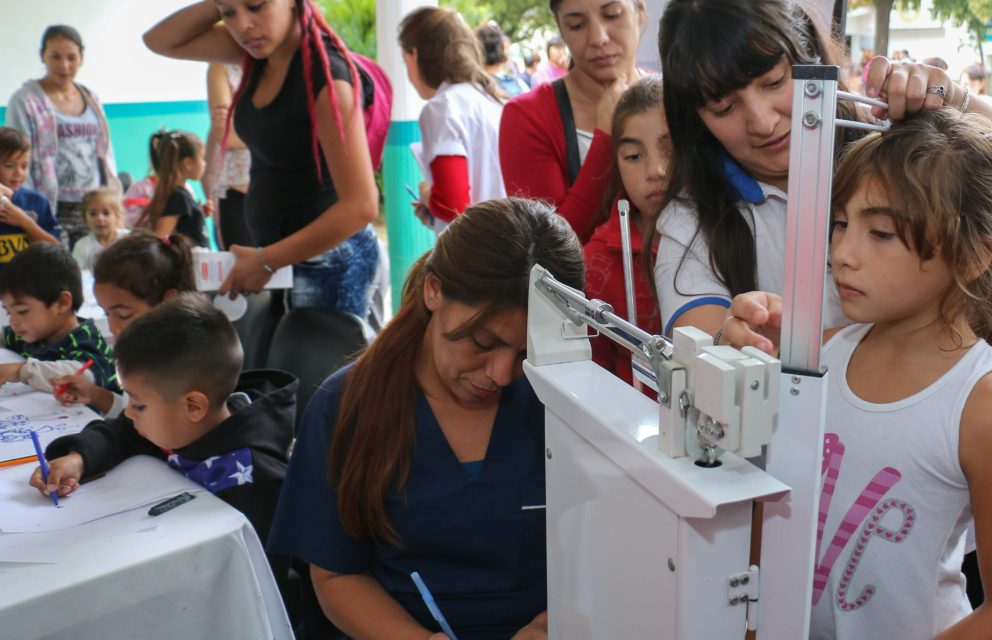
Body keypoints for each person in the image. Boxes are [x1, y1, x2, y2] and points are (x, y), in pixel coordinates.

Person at [724, 109, 992, 638]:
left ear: (971, 258)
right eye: (841, 223)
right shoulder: (822, 353)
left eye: (879, 232)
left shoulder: (988, 411)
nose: (841, 254)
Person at [654, 0, 992, 339]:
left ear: (813, 57)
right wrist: (734, 342)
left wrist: (957, 101)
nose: (762, 121)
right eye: (723, 106)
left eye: (774, 82)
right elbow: (712, 346)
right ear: (696, 118)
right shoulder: (691, 222)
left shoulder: (902, 150)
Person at [268, 198, 581, 639]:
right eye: (481, 341)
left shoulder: (562, 403)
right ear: (434, 291)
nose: (502, 374)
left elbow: (600, 550)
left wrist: (552, 626)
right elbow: (336, 576)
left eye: (527, 354)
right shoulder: (347, 406)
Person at [31, 293, 297, 601]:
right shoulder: (180, 424)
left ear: (194, 406)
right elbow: (122, 433)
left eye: (139, 404)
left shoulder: (255, 478)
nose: (129, 412)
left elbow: (265, 585)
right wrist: (78, 458)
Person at [144, 0, 382, 318]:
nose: (243, 24)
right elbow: (159, 40)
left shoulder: (327, 83)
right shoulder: (258, 55)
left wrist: (268, 259)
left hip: (331, 263)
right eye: (229, 13)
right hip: (285, 260)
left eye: (256, 6)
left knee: (320, 367)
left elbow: (362, 205)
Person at [500, 0, 646, 243]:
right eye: (577, 25)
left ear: (640, 12)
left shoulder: (673, 97)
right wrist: (605, 141)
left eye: (612, 15)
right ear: (560, 27)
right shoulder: (528, 116)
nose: (598, 38)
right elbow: (545, 248)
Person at [54, 231, 197, 418]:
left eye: (123, 314)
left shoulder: (181, 367)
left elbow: (143, 431)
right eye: (107, 313)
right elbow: (130, 414)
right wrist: (95, 395)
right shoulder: (144, 351)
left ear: (167, 302)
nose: (113, 327)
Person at [5, 25, 120, 248]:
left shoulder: (92, 98)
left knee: (95, 269)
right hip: (51, 206)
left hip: (93, 205)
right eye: (55, 57)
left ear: (81, 58)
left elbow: (106, 152)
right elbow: (18, 159)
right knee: (58, 272)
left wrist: (112, 196)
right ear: (42, 56)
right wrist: (25, 209)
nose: (64, 65)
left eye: (71, 57)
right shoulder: (25, 100)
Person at [585, 76, 665, 384]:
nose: (655, 170)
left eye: (669, 148)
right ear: (616, 163)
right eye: (633, 156)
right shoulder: (595, 261)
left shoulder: (728, 234)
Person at [399, 7, 507, 230]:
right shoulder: (490, 98)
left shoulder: (442, 108)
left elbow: (453, 205)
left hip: (474, 254)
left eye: (405, 61)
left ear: (416, 54)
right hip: (508, 242)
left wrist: (427, 194)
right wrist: (435, 217)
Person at [0, 243, 117, 394]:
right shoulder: (32, 332)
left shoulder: (87, 340)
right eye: (9, 313)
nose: (13, 322)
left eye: (22, 311)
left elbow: (84, 375)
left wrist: (19, 371)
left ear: (62, 303)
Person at [204, 62, 254, 250]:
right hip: (234, 188)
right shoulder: (221, 68)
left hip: (277, 185)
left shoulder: (281, 64)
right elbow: (225, 134)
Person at [0, 127, 62, 266]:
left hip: (28, 285)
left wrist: (24, 221)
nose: (18, 173)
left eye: (24, 166)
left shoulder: (37, 202)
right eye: (9, 165)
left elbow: (56, 249)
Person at [140, 130, 208, 248]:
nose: (204, 164)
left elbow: (183, 225)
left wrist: (198, 214)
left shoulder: (178, 195)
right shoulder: (178, 196)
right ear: (188, 163)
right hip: (190, 264)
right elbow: (160, 238)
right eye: (202, 158)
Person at [71, 187, 129, 269]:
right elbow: (78, 274)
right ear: (85, 218)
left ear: (117, 215)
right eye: (93, 214)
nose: (100, 218)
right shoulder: (82, 246)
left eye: (106, 213)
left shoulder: (128, 239)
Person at [478, 22, 529, 98]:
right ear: (501, 50)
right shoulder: (516, 85)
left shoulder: (472, 86)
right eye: (506, 48)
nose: (508, 51)